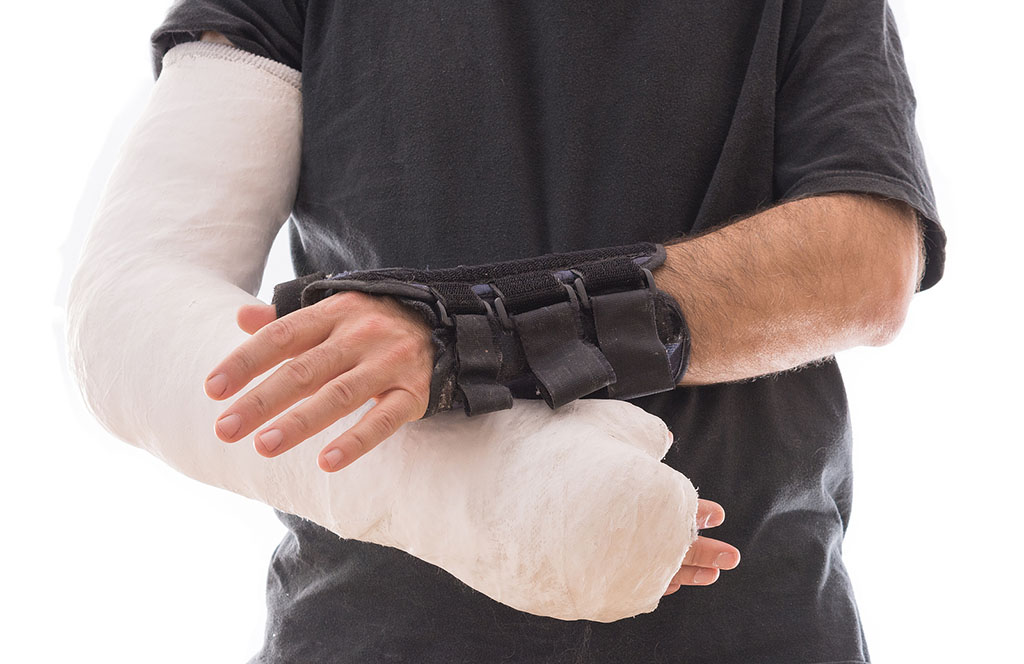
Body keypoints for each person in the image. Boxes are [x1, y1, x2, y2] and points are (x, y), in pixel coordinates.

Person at [145, 1, 946, 662]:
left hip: (745, 627)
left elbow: (866, 264)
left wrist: (466, 338)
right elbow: (140, 302)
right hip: (377, 635)